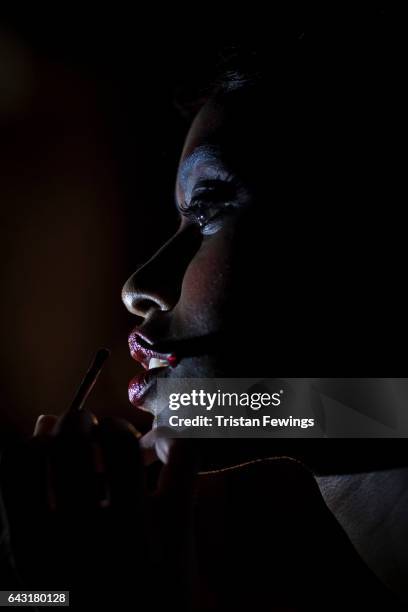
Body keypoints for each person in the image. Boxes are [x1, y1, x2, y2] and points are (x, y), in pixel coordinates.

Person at [1, 46, 406, 610]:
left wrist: (57, 599)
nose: (138, 286)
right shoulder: (360, 419)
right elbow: (366, 413)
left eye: (208, 208)